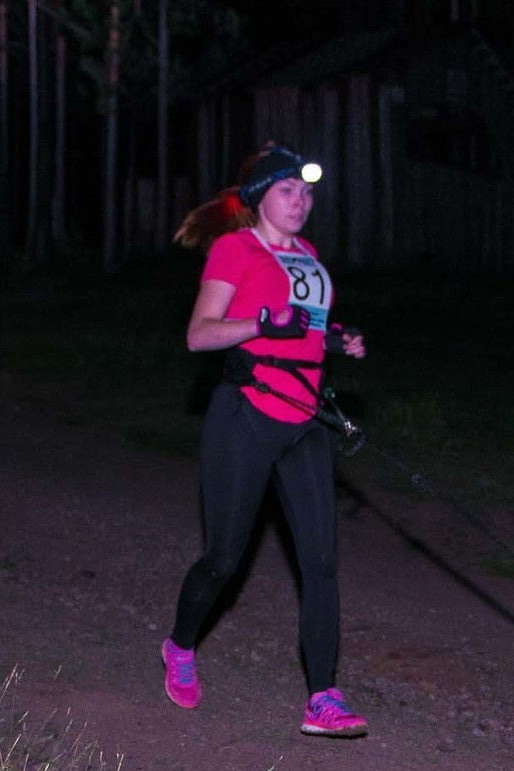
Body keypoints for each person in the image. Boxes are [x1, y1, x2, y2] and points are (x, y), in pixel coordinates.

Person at [162, 142, 370, 738]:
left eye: (306, 192)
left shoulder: (308, 255)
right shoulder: (234, 249)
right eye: (288, 190)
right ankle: (180, 646)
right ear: (258, 198)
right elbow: (199, 337)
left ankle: (323, 696)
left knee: (322, 563)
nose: (301, 201)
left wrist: (336, 340)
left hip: (305, 420)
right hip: (245, 415)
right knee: (225, 559)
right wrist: (259, 325)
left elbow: (303, 330)